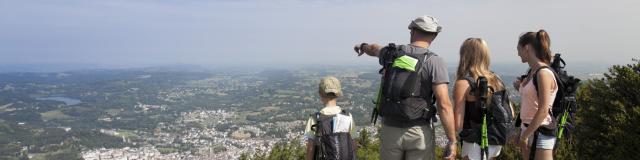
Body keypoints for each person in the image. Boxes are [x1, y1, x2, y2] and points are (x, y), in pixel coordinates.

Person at [354, 15, 457, 160]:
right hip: (419, 131)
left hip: (390, 129)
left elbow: (374, 48)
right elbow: (444, 104)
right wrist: (452, 140)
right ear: (434, 36)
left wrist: (362, 47)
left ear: (412, 31)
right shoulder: (435, 62)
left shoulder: (392, 53)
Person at [453, 38, 514, 160]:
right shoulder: (496, 79)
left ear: (464, 56)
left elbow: (458, 124)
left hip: (474, 144)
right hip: (495, 141)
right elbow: (511, 113)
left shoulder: (464, 83)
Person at [513, 30, 557, 160]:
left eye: (518, 49)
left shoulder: (543, 74)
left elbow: (543, 110)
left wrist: (525, 135)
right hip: (528, 129)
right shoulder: (532, 72)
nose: (518, 53)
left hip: (541, 132)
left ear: (526, 48)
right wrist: (523, 132)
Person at [304, 76, 357, 160]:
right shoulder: (348, 116)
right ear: (338, 94)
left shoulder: (314, 119)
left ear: (320, 93)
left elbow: (310, 148)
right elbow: (353, 144)